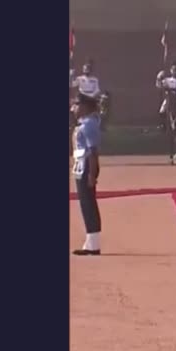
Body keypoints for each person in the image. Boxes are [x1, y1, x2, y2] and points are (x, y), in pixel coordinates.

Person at [72, 95, 104, 256]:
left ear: (84, 106)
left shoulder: (89, 125)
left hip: (86, 167)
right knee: (86, 204)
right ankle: (91, 241)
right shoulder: (84, 123)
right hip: (80, 166)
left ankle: (93, 244)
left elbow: (93, 152)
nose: (73, 108)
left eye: (76, 105)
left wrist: (92, 174)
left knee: (88, 204)